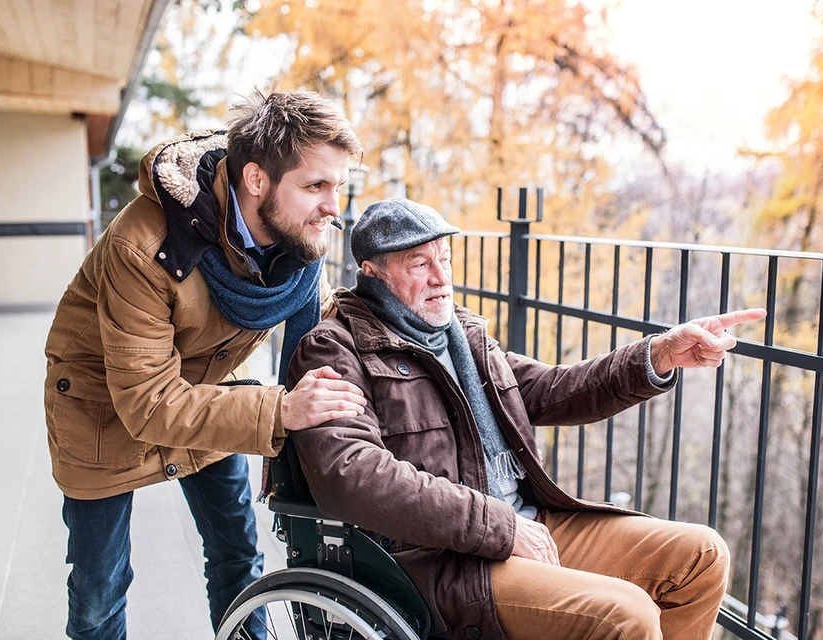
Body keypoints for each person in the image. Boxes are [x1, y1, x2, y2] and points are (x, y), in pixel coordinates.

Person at [286, 197, 767, 640]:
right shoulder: (334, 348)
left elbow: (556, 389)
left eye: (444, 258)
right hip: (445, 561)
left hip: (528, 523)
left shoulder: (463, 339)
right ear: (372, 273)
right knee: (626, 614)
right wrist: (501, 527)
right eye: (419, 264)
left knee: (701, 556)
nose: (440, 277)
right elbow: (354, 475)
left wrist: (659, 353)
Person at [43, 90, 370, 640]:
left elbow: (317, 335)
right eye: (316, 185)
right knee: (101, 590)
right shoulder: (142, 248)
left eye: (338, 185)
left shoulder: (296, 249)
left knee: (238, 557)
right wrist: (281, 410)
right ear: (256, 180)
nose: (333, 206)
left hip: (203, 393)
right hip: (102, 405)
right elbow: (147, 403)